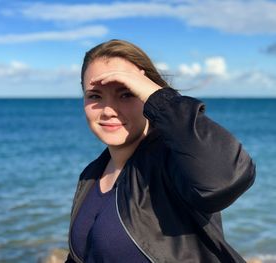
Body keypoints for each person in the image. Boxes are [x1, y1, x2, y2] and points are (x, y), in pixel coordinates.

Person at [65, 39, 256, 263]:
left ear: (147, 94)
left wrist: (160, 98)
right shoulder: (92, 174)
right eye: (95, 96)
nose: (108, 110)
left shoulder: (173, 161)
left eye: (126, 93)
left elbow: (228, 177)